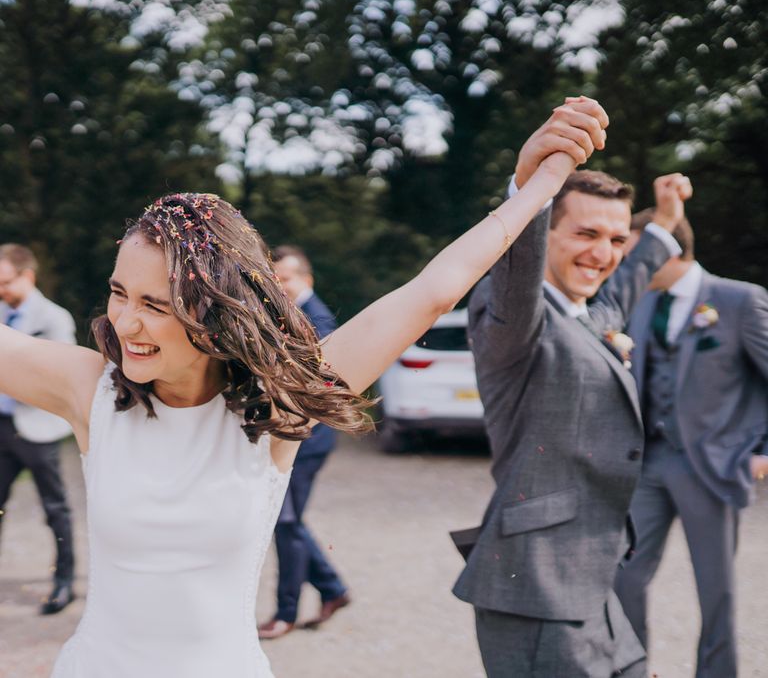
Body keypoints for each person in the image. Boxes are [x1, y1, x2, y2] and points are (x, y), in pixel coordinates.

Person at [0, 96, 608, 678]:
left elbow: (432, 293)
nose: (125, 322)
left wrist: (535, 186)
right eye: (119, 292)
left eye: (155, 304)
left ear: (213, 314)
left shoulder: (273, 407)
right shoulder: (91, 391)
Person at [452, 145, 692, 674]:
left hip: (592, 581)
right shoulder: (513, 315)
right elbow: (517, 269)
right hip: (536, 588)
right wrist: (529, 189)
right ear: (545, 235)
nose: (602, 253)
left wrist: (666, 221)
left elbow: (626, 279)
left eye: (615, 239)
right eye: (586, 234)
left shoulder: (593, 311)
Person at [614, 204, 768, 678]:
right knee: (624, 577)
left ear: (670, 249)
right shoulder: (638, 303)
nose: (624, 263)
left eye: (634, 252)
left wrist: (763, 449)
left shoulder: (739, 299)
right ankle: (630, 669)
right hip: (647, 464)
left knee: (715, 589)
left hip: (715, 465)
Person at [258, 246, 349, 640]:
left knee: (286, 521)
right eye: (273, 281)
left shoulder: (320, 320)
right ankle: (332, 589)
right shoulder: (286, 315)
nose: (279, 287)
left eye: (285, 280)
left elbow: (314, 384)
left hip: (308, 439)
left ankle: (286, 613)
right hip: (288, 435)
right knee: (287, 519)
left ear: (306, 280)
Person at [0, 244, 77, 615]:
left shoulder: (55, 318)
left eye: (5, 282)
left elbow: (59, 377)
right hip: (1, 426)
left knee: (55, 508)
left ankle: (64, 582)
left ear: (27, 276)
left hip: (37, 428)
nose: (1, 290)